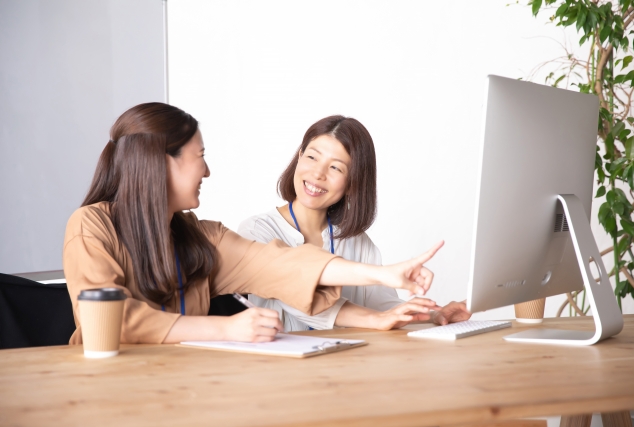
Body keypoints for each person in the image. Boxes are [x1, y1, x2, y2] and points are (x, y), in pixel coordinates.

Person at [63, 103, 444, 345]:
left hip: (186, 386)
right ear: (163, 163)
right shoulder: (90, 227)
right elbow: (113, 321)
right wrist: (225, 329)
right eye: (200, 156)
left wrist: (387, 276)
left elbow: (283, 265)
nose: (207, 170)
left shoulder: (200, 237)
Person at [238, 115, 470, 332]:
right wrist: (377, 314)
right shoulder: (257, 231)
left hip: (346, 366)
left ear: (352, 183)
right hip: (279, 368)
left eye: (336, 167)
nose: (318, 173)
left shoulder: (356, 241)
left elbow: (383, 306)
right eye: (312, 157)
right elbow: (294, 296)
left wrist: (433, 315)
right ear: (299, 157)